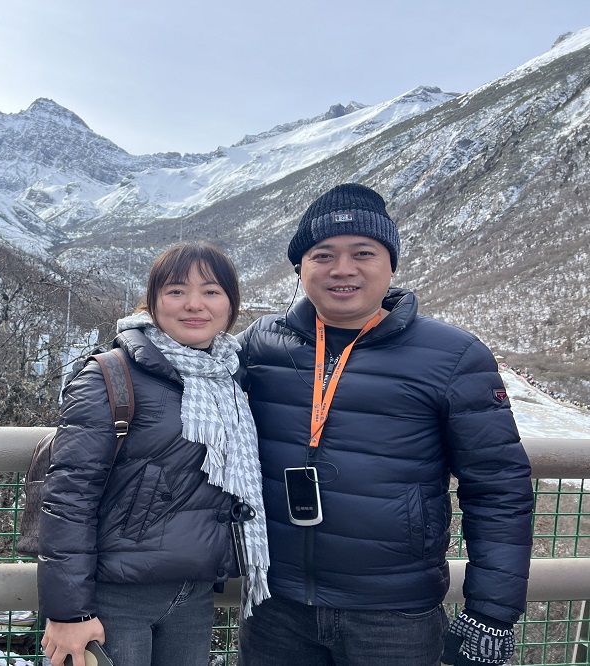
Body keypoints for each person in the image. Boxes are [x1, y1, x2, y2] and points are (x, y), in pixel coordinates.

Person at [236, 183, 534, 666]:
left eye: (363, 253)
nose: (343, 269)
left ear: (390, 264)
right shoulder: (261, 343)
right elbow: (185, 389)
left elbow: (498, 486)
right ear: (300, 268)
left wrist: (492, 612)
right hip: (275, 604)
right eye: (323, 255)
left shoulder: (454, 355)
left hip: (395, 614)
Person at [38, 241, 271, 666]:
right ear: (153, 301)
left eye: (212, 291)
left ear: (231, 304)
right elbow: (69, 497)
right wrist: (69, 612)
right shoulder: (111, 375)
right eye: (177, 291)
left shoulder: (231, 379)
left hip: (195, 593)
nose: (194, 305)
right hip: (116, 597)